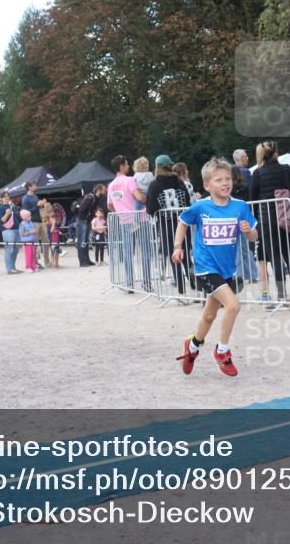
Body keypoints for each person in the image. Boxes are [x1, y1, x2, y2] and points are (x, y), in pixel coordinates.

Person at [172, 157, 258, 377]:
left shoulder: (240, 207)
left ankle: (192, 346)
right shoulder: (201, 207)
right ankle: (222, 351)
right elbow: (183, 222)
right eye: (218, 180)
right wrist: (177, 246)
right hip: (205, 267)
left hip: (226, 270)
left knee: (209, 315)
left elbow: (254, 236)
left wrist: (249, 231)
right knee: (233, 305)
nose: (225, 183)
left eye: (228, 178)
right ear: (207, 185)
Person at [249, 141, 290, 307]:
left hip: (267, 220)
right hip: (285, 216)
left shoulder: (257, 173)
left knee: (275, 258)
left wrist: (255, 220)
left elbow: (253, 198)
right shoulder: (286, 169)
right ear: (276, 153)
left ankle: (281, 295)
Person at [146, 154, 194, 295]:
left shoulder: (154, 185)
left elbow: (151, 208)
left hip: (166, 224)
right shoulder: (179, 181)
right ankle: (194, 283)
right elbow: (186, 201)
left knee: (174, 256)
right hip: (182, 222)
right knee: (185, 254)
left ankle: (181, 290)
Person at [108, 155, 150, 291]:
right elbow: (139, 196)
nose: (128, 166)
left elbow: (109, 205)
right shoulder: (130, 180)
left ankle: (129, 283)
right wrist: (147, 198)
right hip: (139, 219)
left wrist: (121, 211)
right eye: (126, 164)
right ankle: (147, 282)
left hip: (124, 221)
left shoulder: (111, 185)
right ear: (121, 166)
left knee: (128, 252)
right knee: (145, 251)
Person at [20, 182, 48, 269]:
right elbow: (26, 213)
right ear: (29, 187)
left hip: (41, 221)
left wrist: (42, 204)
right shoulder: (25, 198)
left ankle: (47, 261)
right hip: (33, 222)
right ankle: (35, 262)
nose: (36, 186)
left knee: (46, 241)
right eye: (34, 185)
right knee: (34, 243)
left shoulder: (35, 196)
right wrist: (37, 205)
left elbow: (38, 208)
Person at [0, 191, 23, 274]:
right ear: (1, 198)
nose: (7, 197)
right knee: (9, 249)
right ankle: (9, 268)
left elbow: (18, 216)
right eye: (4, 196)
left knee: (16, 249)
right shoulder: (1, 208)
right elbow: (1, 221)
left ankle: (13, 267)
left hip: (16, 229)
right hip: (7, 231)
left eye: (7, 196)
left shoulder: (13, 206)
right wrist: (7, 214)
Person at [74, 187, 97, 267]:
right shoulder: (90, 198)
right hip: (83, 221)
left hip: (85, 221)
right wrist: (85, 218)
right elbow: (81, 210)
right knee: (82, 241)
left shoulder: (92, 198)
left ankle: (86, 260)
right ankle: (83, 261)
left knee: (85, 241)